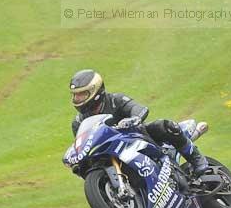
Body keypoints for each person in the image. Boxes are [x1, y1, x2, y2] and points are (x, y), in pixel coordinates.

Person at [69, 69, 209, 175]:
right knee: (82, 167)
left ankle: (196, 158)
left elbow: (139, 109)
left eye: (82, 94)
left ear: (96, 91)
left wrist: (133, 119)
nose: (78, 99)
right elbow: (83, 147)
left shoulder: (116, 100)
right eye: (76, 95)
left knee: (164, 126)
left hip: (139, 138)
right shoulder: (78, 123)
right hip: (111, 152)